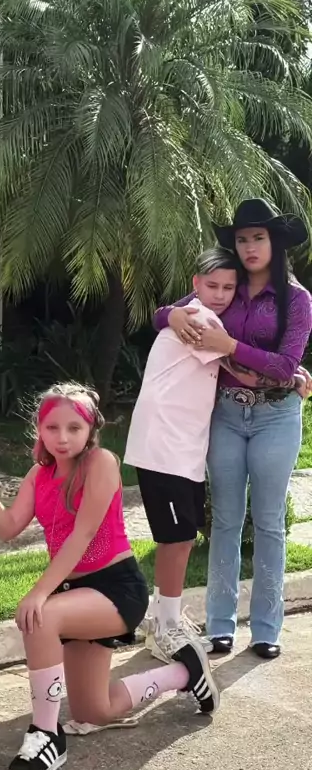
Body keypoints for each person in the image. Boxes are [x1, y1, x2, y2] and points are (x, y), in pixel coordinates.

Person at [0, 383, 221, 770]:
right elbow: (7, 527)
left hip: (115, 589)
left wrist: (39, 592)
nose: (62, 438)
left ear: (91, 429)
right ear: (39, 429)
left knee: (41, 617)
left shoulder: (102, 463)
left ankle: (46, 735)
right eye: (52, 428)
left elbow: (82, 536)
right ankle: (185, 673)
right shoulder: (39, 474)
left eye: (73, 428)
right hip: (74, 592)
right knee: (94, 711)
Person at [153, 199, 312, 660]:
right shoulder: (226, 287)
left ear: (275, 242)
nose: (249, 247)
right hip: (224, 413)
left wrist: (230, 345)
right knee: (224, 520)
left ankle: (265, 630)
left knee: (268, 522)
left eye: (258, 238)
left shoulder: (296, 299)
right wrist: (172, 315)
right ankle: (220, 626)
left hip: (275, 417)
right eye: (242, 239)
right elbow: (164, 315)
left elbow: (285, 367)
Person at [124, 248, 240, 662]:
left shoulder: (189, 313)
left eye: (229, 287)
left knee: (180, 537)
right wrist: (289, 372)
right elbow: (243, 371)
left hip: (182, 446)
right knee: (177, 539)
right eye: (213, 285)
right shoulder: (199, 318)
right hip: (165, 445)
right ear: (195, 284)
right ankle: (166, 630)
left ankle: (163, 618)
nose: (221, 294)